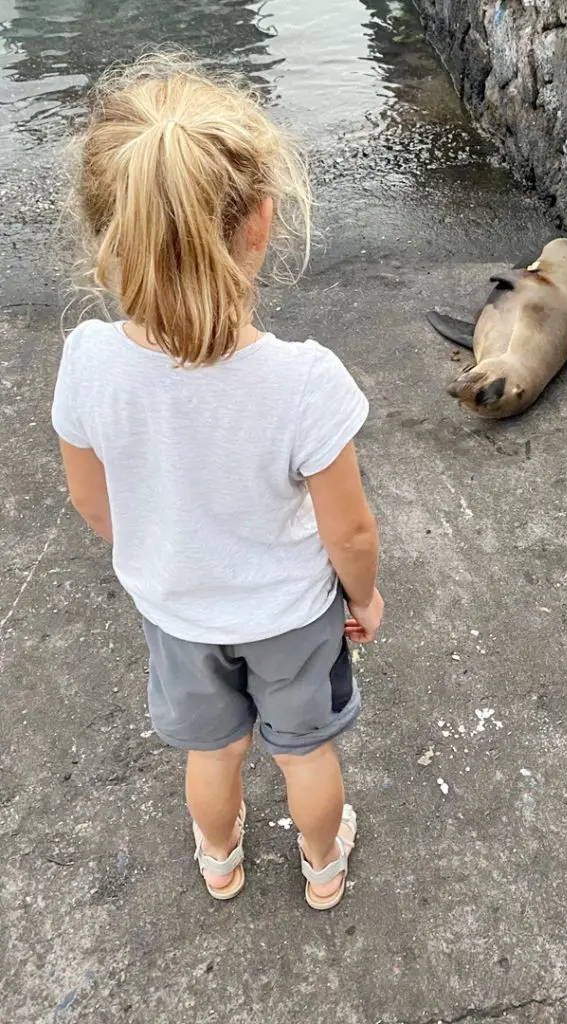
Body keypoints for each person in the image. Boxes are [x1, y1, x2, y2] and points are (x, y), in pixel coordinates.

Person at [51, 53, 383, 909]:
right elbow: (348, 532)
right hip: (291, 615)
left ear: (105, 232)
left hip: (177, 610)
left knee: (216, 751)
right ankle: (322, 867)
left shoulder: (88, 362)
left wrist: (157, 552)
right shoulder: (304, 381)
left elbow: (93, 498)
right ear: (262, 221)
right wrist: (365, 597)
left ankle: (220, 859)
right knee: (305, 752)